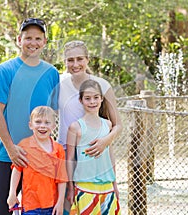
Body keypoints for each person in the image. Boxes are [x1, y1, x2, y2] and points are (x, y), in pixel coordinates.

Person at [0, 18, 60, 215]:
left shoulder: (51, 73)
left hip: (39, 159)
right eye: (28, 38)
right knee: (0, 211)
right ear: (19, 40)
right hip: (8, 155)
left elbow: (53, 114)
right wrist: (11, 149)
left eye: (38, 38)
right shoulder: (5, 70)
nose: (32, 43)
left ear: (44, 42)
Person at [58, 40, 122, 214]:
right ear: (65, 62)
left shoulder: (102, 86)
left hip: (96, 155)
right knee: (70, 208)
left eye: (80, 59)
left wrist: (105, 141)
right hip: (67, 155)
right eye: (70, 60)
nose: (75, 64)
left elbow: (117, 125)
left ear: (87, 60)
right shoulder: (58, 83)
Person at [66, 79, 121, 215]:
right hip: (85, 187)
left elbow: (110, 155)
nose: (92, 102)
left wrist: (115, 184)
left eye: (96, 98)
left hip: (107, 187)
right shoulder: (75, 127)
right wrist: (70, 187)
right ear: (81, 100)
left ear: (101, 99)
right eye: (87, 98)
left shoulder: (107, 125)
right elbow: (69, 159)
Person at [7, 106, 67, 215]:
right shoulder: (24, 146)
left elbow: (62, 179)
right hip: (30, 205)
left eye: (47, 122)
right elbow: (17, 170)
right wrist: (12, 193)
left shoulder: (58, 149)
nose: (42, 126)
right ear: (31, 125)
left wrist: (60, 202)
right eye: (38, 122)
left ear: (53, 126)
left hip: (51, 205)